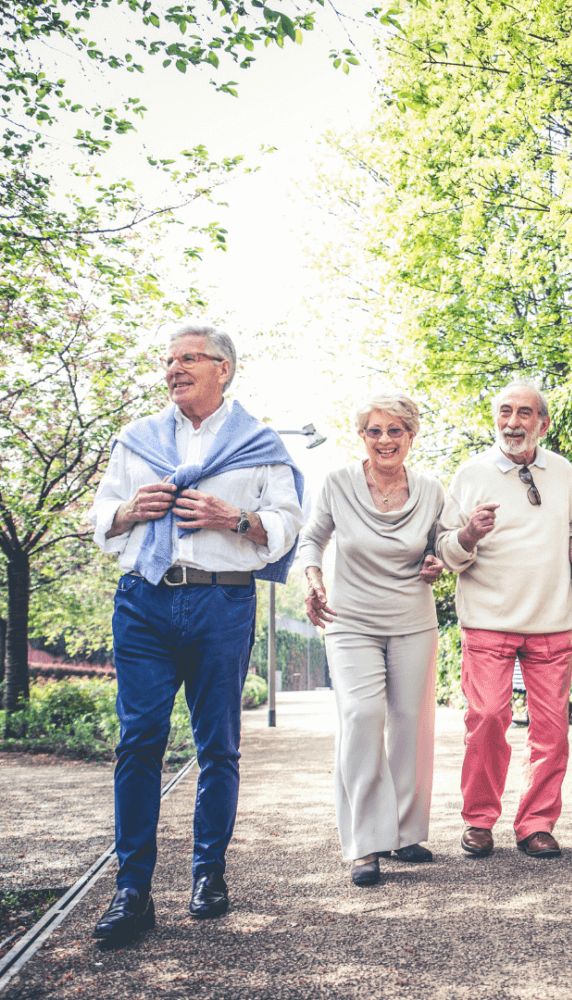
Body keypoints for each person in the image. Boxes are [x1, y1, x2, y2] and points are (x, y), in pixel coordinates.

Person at [88, 325, 305, 944]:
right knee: (138, 743)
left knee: (219, 746)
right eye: (169, 360)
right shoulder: (137, 441)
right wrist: (132, 511)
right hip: (143, 600)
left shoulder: (259, 445)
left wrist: (233, 517)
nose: (174, 369)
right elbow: (101, 514)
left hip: (221, 600)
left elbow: (288, 522)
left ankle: (208, 872)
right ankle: (132, 889)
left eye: (188, 359)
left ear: (224, 368)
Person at [300, 391, 445, 887]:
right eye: (375, 431)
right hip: (350, 618)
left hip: (412, 619)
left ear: (411, 436)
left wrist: (437, 560)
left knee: (411, 724)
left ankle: (404, 834)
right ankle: (364, 842)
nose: (385, 440)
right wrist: (314, 579)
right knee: (362, 717)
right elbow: (311, 538)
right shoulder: (338, 484)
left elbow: (441, 544)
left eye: (395, 431)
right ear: (361, 436)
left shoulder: (430, 490)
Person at [435, 380, 572, 860]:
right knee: (489, 718)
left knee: (552, 729)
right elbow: (444, 549)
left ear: (544, 422)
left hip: (551, 619)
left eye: (523, 413)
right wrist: (469, 534)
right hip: (488, 618)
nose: (512, 423)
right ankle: (479, 820)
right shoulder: (470, 473)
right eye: (504, 412)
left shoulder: (561, 470)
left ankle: (536, 824)